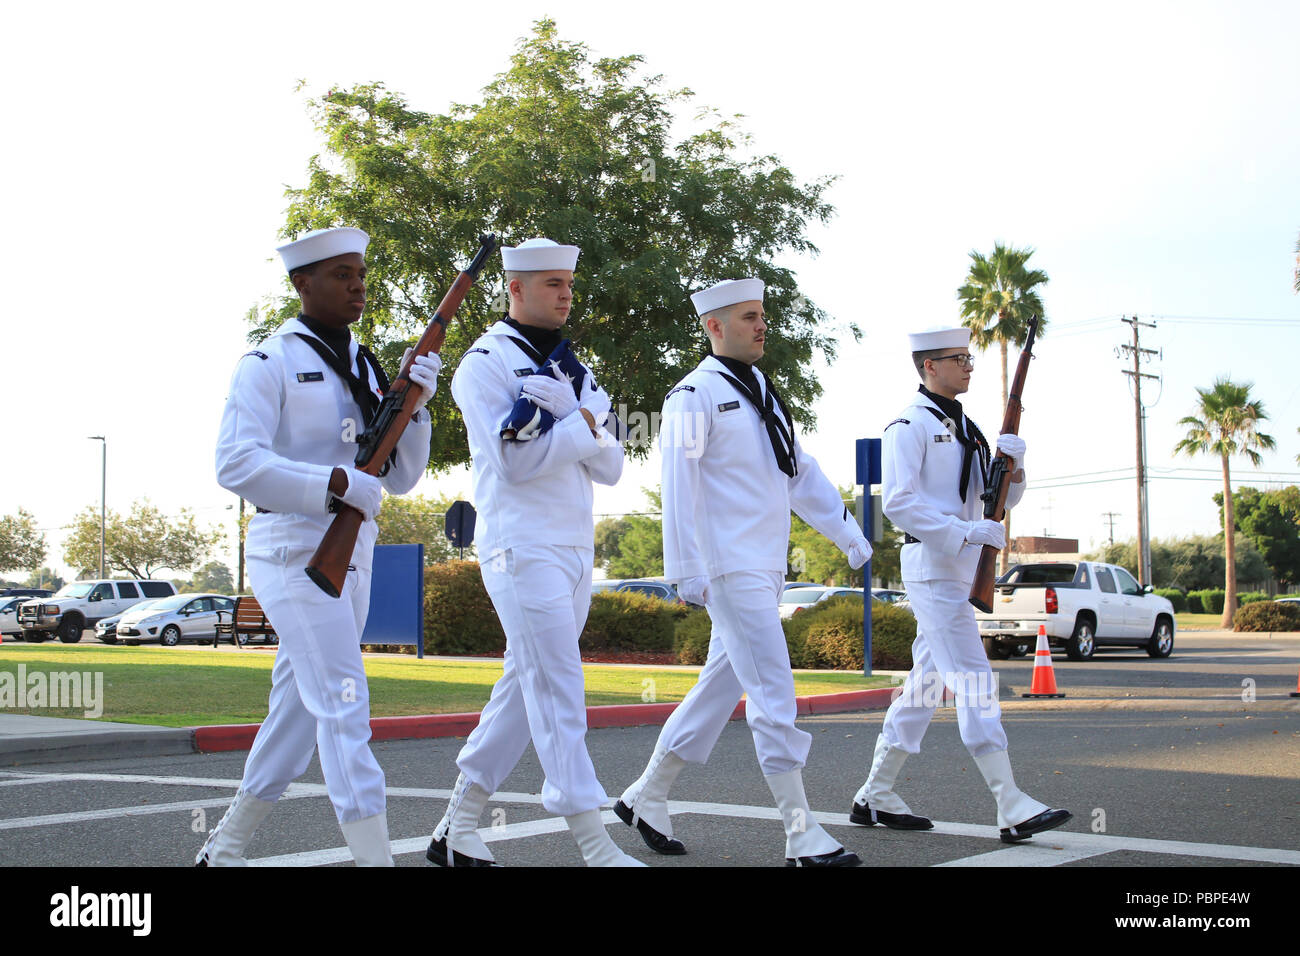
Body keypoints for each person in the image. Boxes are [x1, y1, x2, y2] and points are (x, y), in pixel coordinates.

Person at [201, 226, 440, 866]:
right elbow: (235, 463)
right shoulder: (268, 361)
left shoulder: (365, 366)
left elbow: (402, 475)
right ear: (301, 284)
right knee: (343, 701)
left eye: (360, 272)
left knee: (296, 714)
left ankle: (222, 850)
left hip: (351, 550)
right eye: (340, 274)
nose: (357, 284)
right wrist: (331, 483)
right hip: (292, 549)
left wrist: (416, 407)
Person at [614, 278, 872, 867]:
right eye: (750, 316)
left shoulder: (764, 391)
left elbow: (798, 471)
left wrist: (848, 532)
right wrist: (684, 571)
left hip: (767, 564)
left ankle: (646, 795)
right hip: (727, 568)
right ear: (714, 327)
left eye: (762, 316)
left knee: (716, 691)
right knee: (774, 692)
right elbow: (677, 488)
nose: (762, 325)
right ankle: (801, 832)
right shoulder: (692, 396)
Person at [427, 237, 638, 867]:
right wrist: (582, 426)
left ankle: (455, 827)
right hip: (520, 546)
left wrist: (573, 419)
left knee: (526, 686)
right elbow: (512, 465)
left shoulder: (577, 367)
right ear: (514, 289)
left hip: (574, 546)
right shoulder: (484, 364)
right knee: (559, 687)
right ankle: (594, 843)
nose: (565, 292)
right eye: (550, 283)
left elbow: (615, 466)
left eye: (567, 282)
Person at [846, 326, 1070, 843]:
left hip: (961, 565)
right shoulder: (908, 424)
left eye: (970, 358)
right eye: (959, 358)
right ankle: (1010, 804)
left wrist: (1015, 469)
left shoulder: (965, 425)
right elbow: (898, 502)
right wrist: (965, 531)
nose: (969, 366)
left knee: (925, 687)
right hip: (932, 564)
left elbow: (996, 503)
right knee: (972, 678)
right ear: (930, 367)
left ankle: (875, 794)